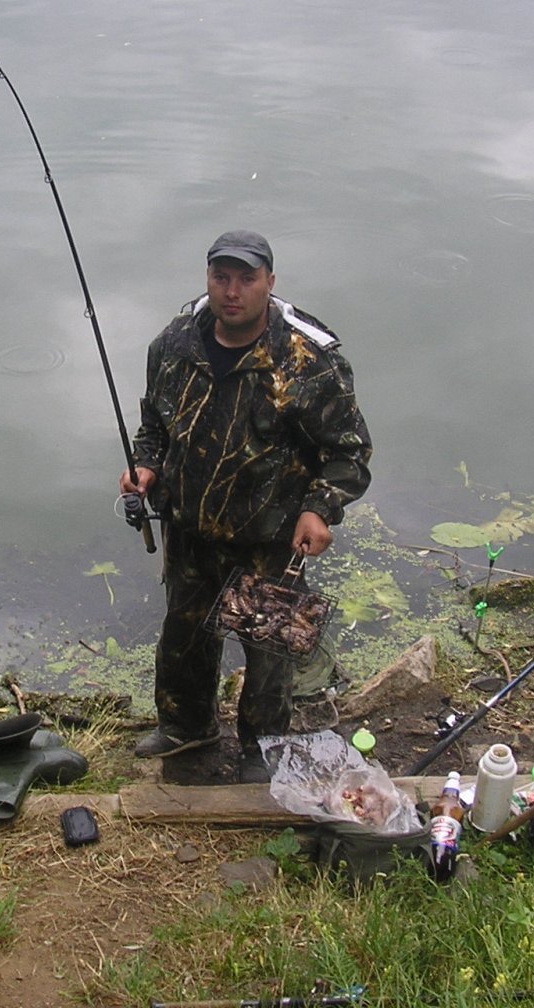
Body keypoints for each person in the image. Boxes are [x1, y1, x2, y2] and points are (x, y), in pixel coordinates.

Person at [119, 229, 372, 782]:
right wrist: (146, 466)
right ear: (208, 279)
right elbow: (154, 424)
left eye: (246, 279)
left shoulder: (308, 360)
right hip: (190, 528)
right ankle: (187, 727)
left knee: (269, 654)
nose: (232, 291)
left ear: (270, 282)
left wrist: (319, 508)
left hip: (269, 537)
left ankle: (263, 746)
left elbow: (349, 453)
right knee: (183, 635)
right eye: (221, 277)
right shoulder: (174, 344)